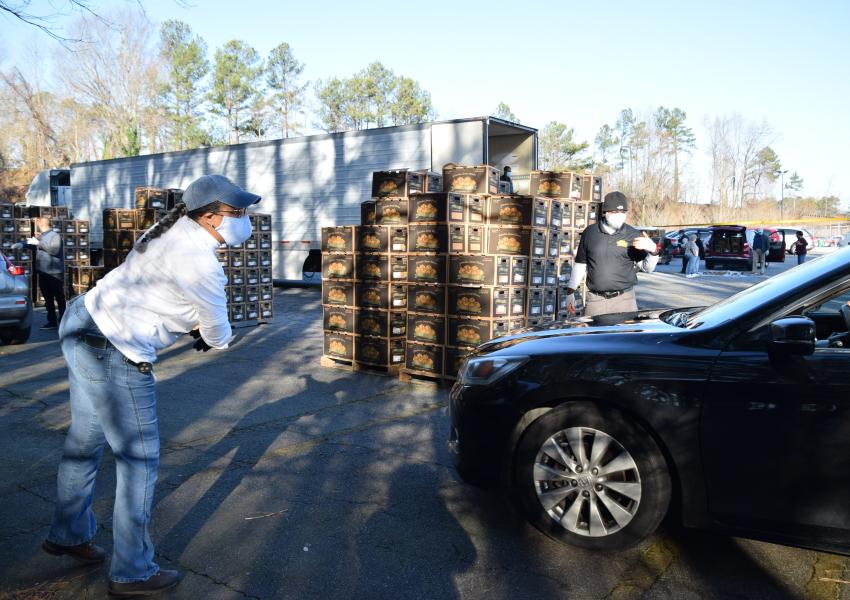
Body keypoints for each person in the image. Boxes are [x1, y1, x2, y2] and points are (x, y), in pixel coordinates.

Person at [42, 174, 261, 597]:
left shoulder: (169, 228)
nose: (245, 219)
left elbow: (165, 294)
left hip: (82, 321)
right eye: (237, 212)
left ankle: (68, 535)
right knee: (139, 461)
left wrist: (189, 321)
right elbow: (218, 333)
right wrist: (204, 331)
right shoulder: (200, 260)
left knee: (84, 443)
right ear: (211, 216)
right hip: (115, 348)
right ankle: (133, 572)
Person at [565, 191, 659, 317]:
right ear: (606, 212)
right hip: (596, 300)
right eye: (615, 212)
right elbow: (581, 265)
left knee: (625, 336)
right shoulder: (590, 233)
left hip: (625, 300)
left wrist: (653, 251)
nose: (619, 215)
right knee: (595, 336)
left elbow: (647, 268)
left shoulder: (633, 235)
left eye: (623, 212)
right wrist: (570, 292)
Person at [28, 217, 66, 330]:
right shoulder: (42, 236)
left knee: (59, 298)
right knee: (48, 298)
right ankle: (52, 321)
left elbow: (54, 250)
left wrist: (38, 243)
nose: (37, 226)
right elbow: (34, 244)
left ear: (43, 224)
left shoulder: (55, 236)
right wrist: (23, 245)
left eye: (38, 224)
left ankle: (64, 320)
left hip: (54, 272)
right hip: (43, 272)